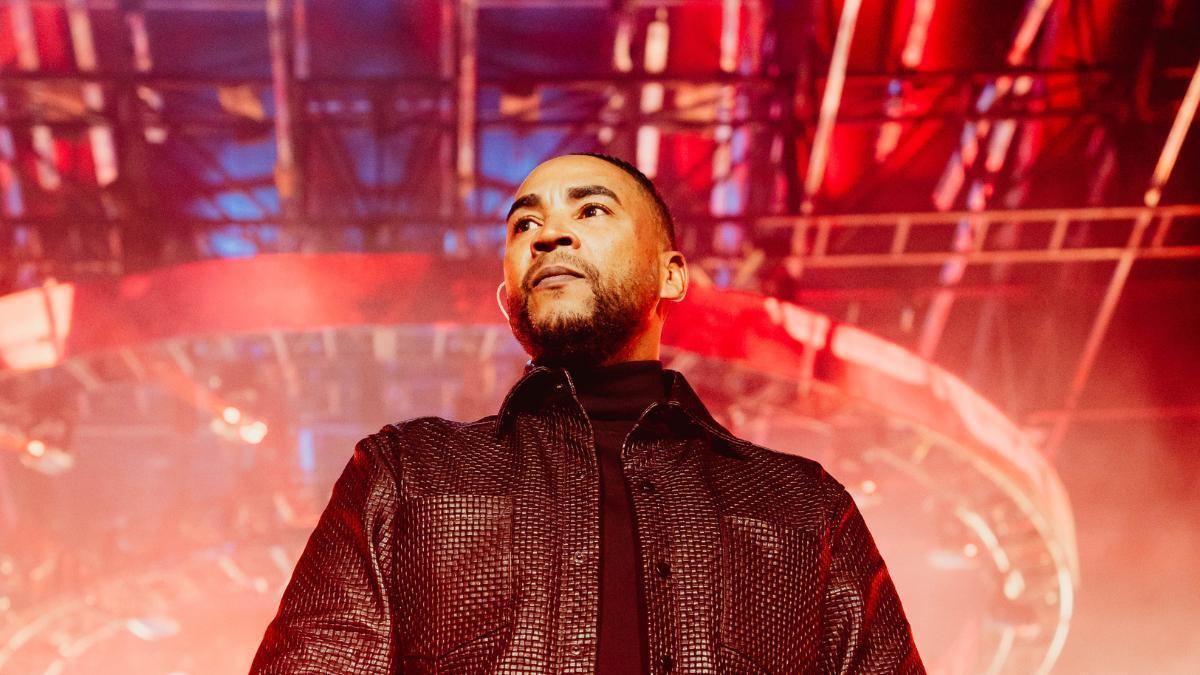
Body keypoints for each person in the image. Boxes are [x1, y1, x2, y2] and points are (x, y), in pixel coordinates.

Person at [251, 153, 924, 674]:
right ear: (507, 298)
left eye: (592, 210)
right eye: (524, 225)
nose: (549, 236)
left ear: (671, 275)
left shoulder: (804, 504)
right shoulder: (406, 472)